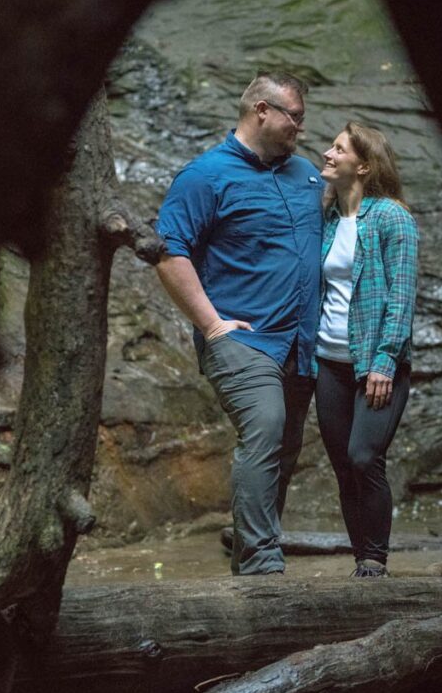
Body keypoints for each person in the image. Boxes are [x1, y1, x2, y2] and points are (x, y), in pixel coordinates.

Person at [155, 72, 322, 575]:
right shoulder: (205, 176)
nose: (300, 127)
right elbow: (167, 250)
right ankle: (261, 567)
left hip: (301, 341)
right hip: (243, 340)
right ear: (261, 111)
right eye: (294, 116)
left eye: (303, 118)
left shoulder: (307, 174)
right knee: (265, 427)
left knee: (286, 448)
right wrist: (211, 325)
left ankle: (255, 550)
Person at [313, 121, 419, 578]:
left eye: (338, 149)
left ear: (364, 165)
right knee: (342, 467)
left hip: (377, 365)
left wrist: (384, 360)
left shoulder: (391, 217)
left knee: (363, 456)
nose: (328, 153)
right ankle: (362, 562)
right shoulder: (330, 218)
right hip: (329, 362)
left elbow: (402, 296)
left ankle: (376, 558)